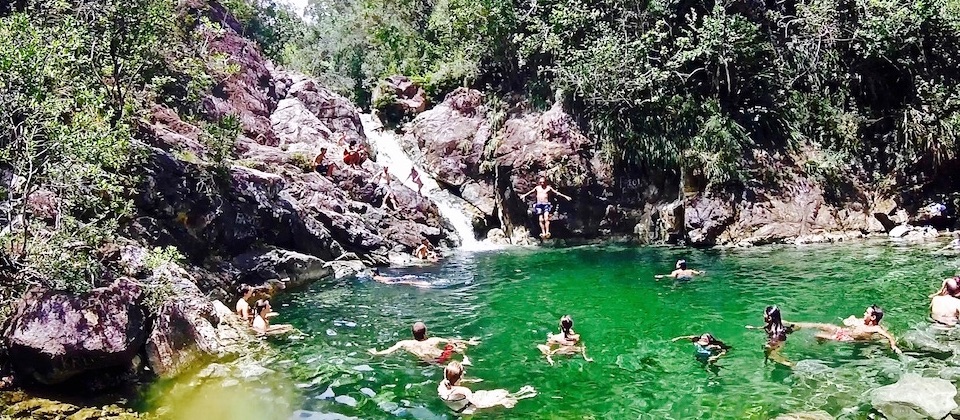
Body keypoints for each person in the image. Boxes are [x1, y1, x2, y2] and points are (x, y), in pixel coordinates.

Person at [792, 305, 902, 354]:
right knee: (821, 325)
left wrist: (893, 346)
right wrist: (850, 320)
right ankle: (795, 325)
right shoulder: (861, 321)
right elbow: (850, 321)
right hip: (843, 331)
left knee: (818, 335)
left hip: (847, 338)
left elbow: (889, 336)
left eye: (866, 313)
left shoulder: (875, 328)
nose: (864, 313)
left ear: (873, 317)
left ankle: (816, 349)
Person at [437, 361, 536, 415]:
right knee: (502, 393)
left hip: (456, 409)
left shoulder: (442, 386)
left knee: (481, 393)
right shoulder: (464, 391)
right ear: (461, 376)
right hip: (468, 410)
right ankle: (523, 394)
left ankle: (518, 394)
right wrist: (498, 402)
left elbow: (450, 378)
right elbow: (478, 405)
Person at [368, 321, 479, 365]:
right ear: (425, 333)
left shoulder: (404, 343)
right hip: (441, 358)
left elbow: (389, 351)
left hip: (424, 361)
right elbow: (453, 340)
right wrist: (469, 342)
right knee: (455, 346)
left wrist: (376, 353)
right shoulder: (433, 340)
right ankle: (465, 359)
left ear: (412, 333)